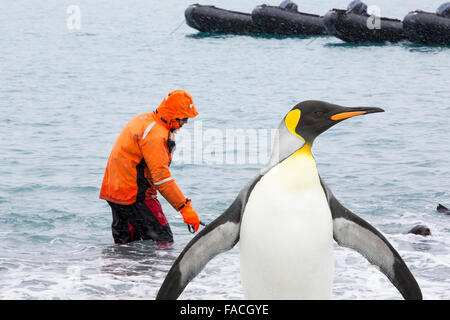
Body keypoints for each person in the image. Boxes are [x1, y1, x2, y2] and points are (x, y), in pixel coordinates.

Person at [100, 90, 201, 244]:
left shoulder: (143, 119)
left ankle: (119, 268)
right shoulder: (156, 135)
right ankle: (160, 269)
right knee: (164, 242)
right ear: (173, 115)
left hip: (114, 192)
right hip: (135, 196)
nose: (186, 122)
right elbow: (161, 178)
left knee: (125, 246)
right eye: (185, 118)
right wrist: (184, 207)